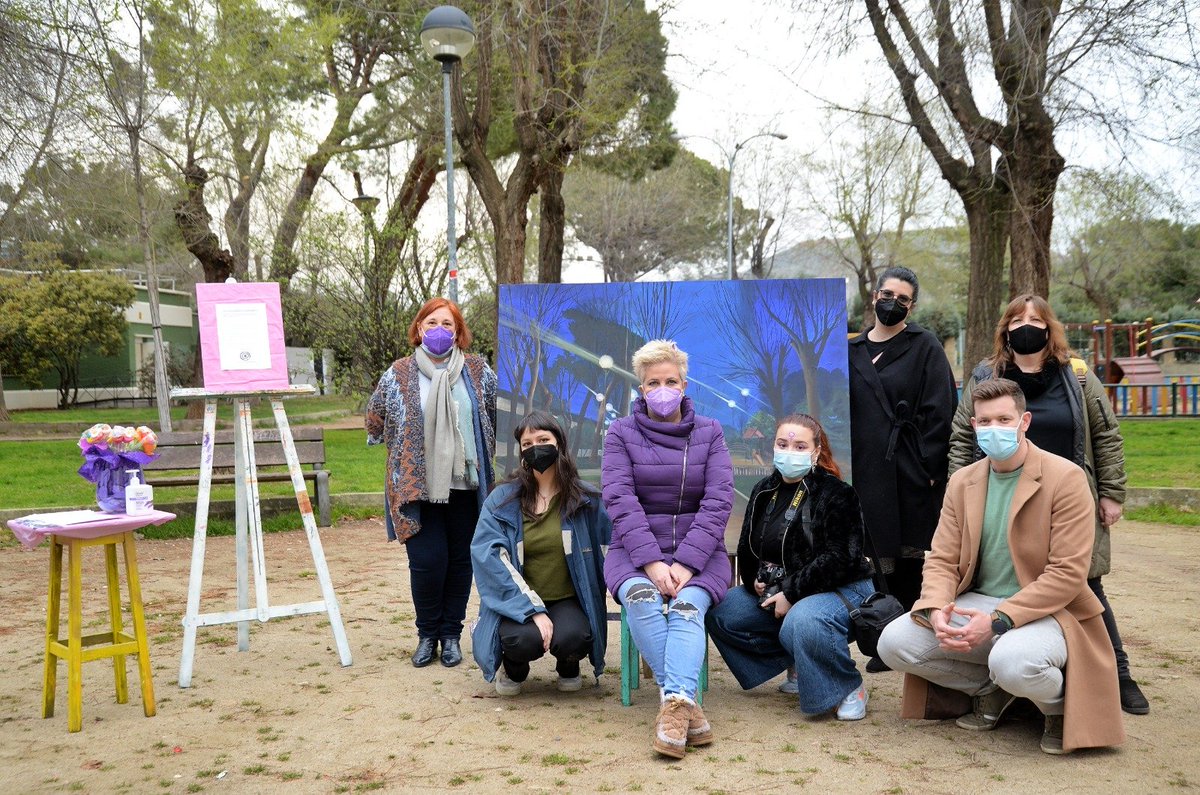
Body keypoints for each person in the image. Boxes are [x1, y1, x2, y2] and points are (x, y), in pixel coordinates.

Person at [877, 378, 1125, 755]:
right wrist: (934, 609)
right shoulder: (962, 481)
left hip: (1049, 611)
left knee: (1012, 660)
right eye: (985, 421)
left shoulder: (1067, 478)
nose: (994, 429)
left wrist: (999, 619)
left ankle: (1057, 708)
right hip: (977, 601)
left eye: (1004, 419)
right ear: (973, 426)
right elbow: (942, 558)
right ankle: (993, 690)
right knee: (893, 643)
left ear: (1024, 421)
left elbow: (1068, 574)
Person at [948, 294, 1147, 715]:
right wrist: (960, 493)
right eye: (1017, 319)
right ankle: (1009, 671)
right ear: (1005, 327)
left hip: (1067, 496)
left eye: (1036, 319)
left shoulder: (1075, 376)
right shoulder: (987, 374)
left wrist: (1111, 492)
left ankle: (1118, 674)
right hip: (1000, 496)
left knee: (1085, 585)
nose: (1026, 326)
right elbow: (962, 439)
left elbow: (1106, 435)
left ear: (1049, 327)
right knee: (1003, 578)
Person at [602, 339, 734, 760]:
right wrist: (654, 563)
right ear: (641, 389)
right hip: (634, 551)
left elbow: (718, 501)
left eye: (670, 381)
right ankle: (683, 706)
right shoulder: (620, 433)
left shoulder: (710, 432)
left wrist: (688, 564)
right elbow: (620, 499)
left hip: (702, 553)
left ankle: (673, 705)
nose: (662, 388)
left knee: (686, 609)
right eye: (653, 382)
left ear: (684, 384)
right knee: (641, 600)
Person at [706, 414, 876, 720]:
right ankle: (801, 660)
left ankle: (848, 686)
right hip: (782, 587)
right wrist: (754, 581)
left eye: (799, 446)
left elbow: (841, 557)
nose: (789, 451)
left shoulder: (837, 493)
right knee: (722, 612)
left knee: (804, 620)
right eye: (783, 444)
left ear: (815, 451)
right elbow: (748, 547)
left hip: (843, 588)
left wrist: (791, 592)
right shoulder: (763, 490)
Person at [365, 298, 497, 669]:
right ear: (420, 327)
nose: (440, 330)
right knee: (427, 560)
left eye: (448, 324)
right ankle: (427, 635)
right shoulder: (398, 373)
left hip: (467, 485)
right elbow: (375, 419)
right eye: (433, 322)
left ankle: (451, 635)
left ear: (458, 333)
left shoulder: (478, 371)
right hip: (417, 487)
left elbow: (493, 417)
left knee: (459, 561)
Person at [848, 267, 957, 672]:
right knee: (876, 555)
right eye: (886, 293)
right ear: (874, 296)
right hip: (864, 468)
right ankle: (880, 639)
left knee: (911, 553)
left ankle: (907, 638)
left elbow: (941, 408)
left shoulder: (924, 345)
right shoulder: (852, 349)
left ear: (912, 306)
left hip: (910, 465)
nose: (892, 302)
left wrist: (931, 466)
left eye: (903, 298)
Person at [471, 412, 611, 695]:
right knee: (520, 641)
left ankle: (569, 664)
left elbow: (614, 546)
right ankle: (513, 667)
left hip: (566, 599)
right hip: (518, 603)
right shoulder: (501, 500)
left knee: (575, 637)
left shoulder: (586, 500)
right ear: (521, 452)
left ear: (559, 443)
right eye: (527, 443)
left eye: (543, 439)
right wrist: (533, 611)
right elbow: (488, 558)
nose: (536, 447)